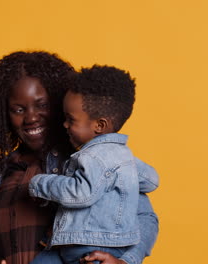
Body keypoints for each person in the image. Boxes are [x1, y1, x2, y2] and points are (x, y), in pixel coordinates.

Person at [0, 51, 159, 264]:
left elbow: (145, 217)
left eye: (42, 105)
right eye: (19, 109)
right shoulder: (5, 171)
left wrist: (127, 261)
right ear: (5, 114)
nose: (31, 117)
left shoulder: (87, 159)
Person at [28, 65, 158, 264]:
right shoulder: (125, 160)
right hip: (68, 249)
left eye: (70, 119)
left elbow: (82, 193)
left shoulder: (95, 157)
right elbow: (151, 180)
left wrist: (39, 183)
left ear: (99, 125)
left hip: (90, 252)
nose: (64, 124)